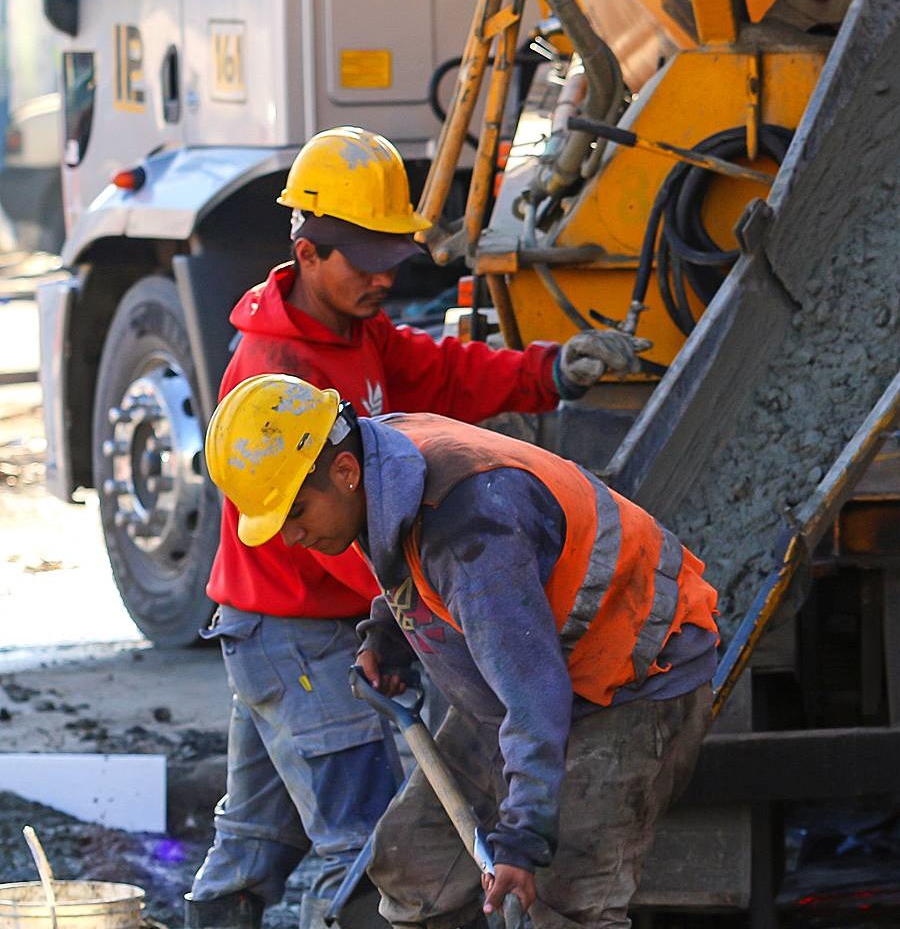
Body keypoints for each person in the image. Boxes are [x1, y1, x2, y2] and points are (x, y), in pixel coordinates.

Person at [186, 126, 640, 929]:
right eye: (363, 258)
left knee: (254, 841)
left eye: (389, 253)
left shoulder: (351, 330)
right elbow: (333, 540)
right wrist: (428, 607)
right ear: (308, 248)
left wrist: (547, 371)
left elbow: (442, 374)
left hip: (276, 635)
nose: (383, 275)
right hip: (296, 635)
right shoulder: (274, 373)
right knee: (365, 850)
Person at [204, 374, 719, 929]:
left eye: (296, 513)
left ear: (345, 473)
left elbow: (533, 695)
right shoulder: (379, 455)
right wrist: (390, 641)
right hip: (523, 682)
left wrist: (523, 841)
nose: (292, 539)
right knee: (414, 865)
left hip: (625, 686)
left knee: (563, 902)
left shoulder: (471, 527)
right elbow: (413, 562)